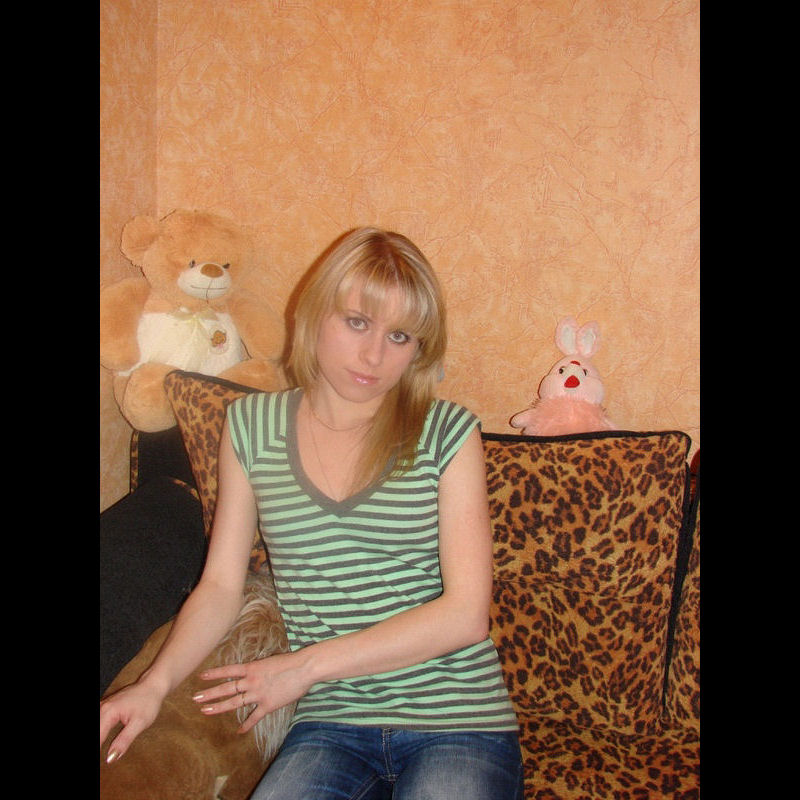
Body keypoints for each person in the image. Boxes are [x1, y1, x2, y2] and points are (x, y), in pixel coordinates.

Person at [100, 227, 524, 799]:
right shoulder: (250, 427)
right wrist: (153, 686)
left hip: (456, 719)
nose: (374, 355)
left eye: (399, 335)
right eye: (357, 322)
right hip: (332, 725)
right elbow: (221, 585)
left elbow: (466, 616)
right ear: (314, 313)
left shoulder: (447, 432)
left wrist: (304, 668)